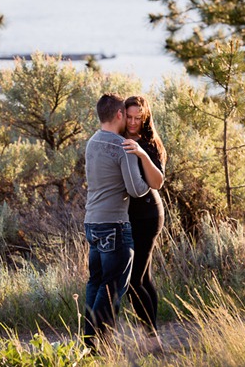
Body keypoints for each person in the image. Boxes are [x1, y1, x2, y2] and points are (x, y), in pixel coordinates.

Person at [83, 93, 151, 350]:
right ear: (120, 115)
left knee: (95, 283)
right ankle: (94, 344)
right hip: (114, 225)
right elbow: (136, 189)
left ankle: (89, 341)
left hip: (92, 224)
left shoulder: (92, 142)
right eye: (127, 115)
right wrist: (144, 166)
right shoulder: (122, 147)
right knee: (112, 287)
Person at [122, 95, 167, 344]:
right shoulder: (118, 137)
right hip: (128, 217)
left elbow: (157, 182)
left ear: (145, 117)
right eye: (129, 117)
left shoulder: (150, 143)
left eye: (138, 118)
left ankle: (152, 338)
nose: (132, 122)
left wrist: (141, 154)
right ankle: (154, 334)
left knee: (133, 281)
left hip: (149, 215)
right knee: (145, 277)